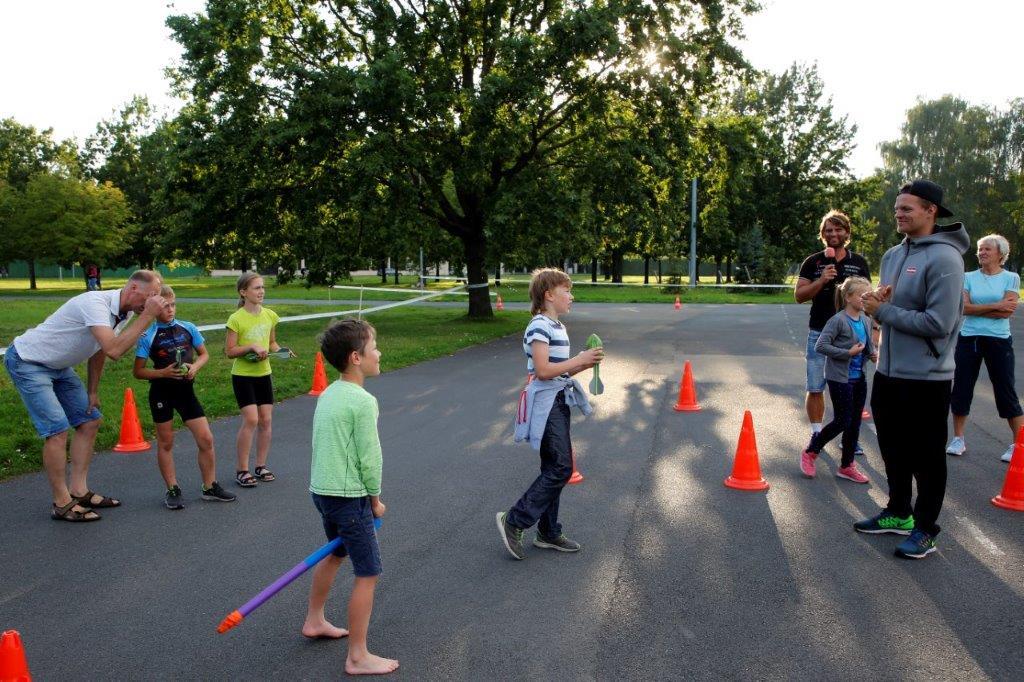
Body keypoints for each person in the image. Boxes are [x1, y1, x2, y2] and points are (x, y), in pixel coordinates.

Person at [857, 179, 968, 560]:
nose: (899, 214)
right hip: (888, 371)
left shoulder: (946, 259)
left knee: (927, 457)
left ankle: (925, 530)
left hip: (926, 377)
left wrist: (882, 312)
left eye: (907, 209)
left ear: (930, 211)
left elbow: (939, 323)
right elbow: (890, 306)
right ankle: (899, 512)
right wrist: (878, 301)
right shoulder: (893, 255)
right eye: (897, 209)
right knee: (892, 449)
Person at [4, 270, 165, 521]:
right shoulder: (95, 303)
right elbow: (114, 350)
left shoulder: (126, 312)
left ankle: (78, 491)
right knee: (57, 429)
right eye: (151, 295)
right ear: (133, 288)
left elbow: (100, 350)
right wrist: (148, 315)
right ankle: (61, 502)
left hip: (58, 366)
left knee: (89, 421)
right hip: (28, 361)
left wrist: (92, 390)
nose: (153, 300)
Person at [304, 318, 399, 676]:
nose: (380, 352)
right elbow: (369, 458)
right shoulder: (362, 401)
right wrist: (374, 500)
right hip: (348, 497)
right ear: (357, 357)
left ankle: (314, 620)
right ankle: (357, 656)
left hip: (323, 491)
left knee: (336, 553)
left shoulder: (329, 392)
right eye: (374, 347)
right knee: (368, 571)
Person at [496, 268, 603, 560]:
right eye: (566, 290)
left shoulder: (557, 327)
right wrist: (577, 359)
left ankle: (548, 532)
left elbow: (560, 369)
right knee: (561, 468)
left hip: (558, 398)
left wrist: (585, 362)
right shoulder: (539, 325)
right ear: (548, 295)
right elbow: (543, 371)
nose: (571, 296)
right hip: (545, 403)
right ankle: (514, 519)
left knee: (553, 466)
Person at [133, 285, 237, 509]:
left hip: (185, 392)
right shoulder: (147, 334)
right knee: (166, 442)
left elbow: (204, 354)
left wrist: (195, 367)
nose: (170, 310)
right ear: (154, 308)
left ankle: (210, 486)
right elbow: (138, 371)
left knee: (206, 439)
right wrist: (162, 373)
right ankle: (172, 488)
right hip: (161, 393)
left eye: (173, 304)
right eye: (165, 306)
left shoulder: (188, 327)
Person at [794, 211, 873, 453]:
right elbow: (799, 296)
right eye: (828, 230)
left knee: (850, 387)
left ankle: (849, 437)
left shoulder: (858, 262)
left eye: (838, 229)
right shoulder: (814, 262)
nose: (833, 234)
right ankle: (817, 433)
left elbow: (868, 297)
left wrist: (875, 328)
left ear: (846, 233)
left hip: (852, 335)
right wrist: (822, 281)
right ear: (823, 234)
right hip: (820, 331)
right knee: (816, 386)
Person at [945, 234, 1023, 462]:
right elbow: (964, 309)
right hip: (969, 338)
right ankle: (958, 439)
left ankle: (1018, 444)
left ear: (1000, 253)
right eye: (980, 249)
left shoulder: (1011, 277)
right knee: (961, 387)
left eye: (987, 249)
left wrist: (984, 307)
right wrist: (996, 305)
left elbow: (1007, 313)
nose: (982, 253)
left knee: (1005, 391)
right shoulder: (968, 276)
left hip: (999, 340)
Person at [801, 276, 875, 484]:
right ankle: (811, 452)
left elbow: (867, 346)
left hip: (859, 377)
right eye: (862, 295)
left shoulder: (866, 320)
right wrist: (847, 352)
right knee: (843, 420)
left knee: (854, 423)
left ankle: (846, 466)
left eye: (868, 295)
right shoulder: (837, 320)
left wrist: (873, 354)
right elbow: (821, 346)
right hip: (839, 378)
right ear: (848, 297)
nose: (865, 298)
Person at [225, 272, 286, 487]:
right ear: (243, 292)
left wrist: (282, 351)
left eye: (262, 287)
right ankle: (242, 469)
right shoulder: (236, 318)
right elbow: (230, 351)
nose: (261, 291)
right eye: (256, 288)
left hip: (263, 374)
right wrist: (250, 347)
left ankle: (260, 466)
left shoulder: (270, 315)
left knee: (266, 420)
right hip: (243, 376)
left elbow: (272, 343)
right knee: (251, 419)